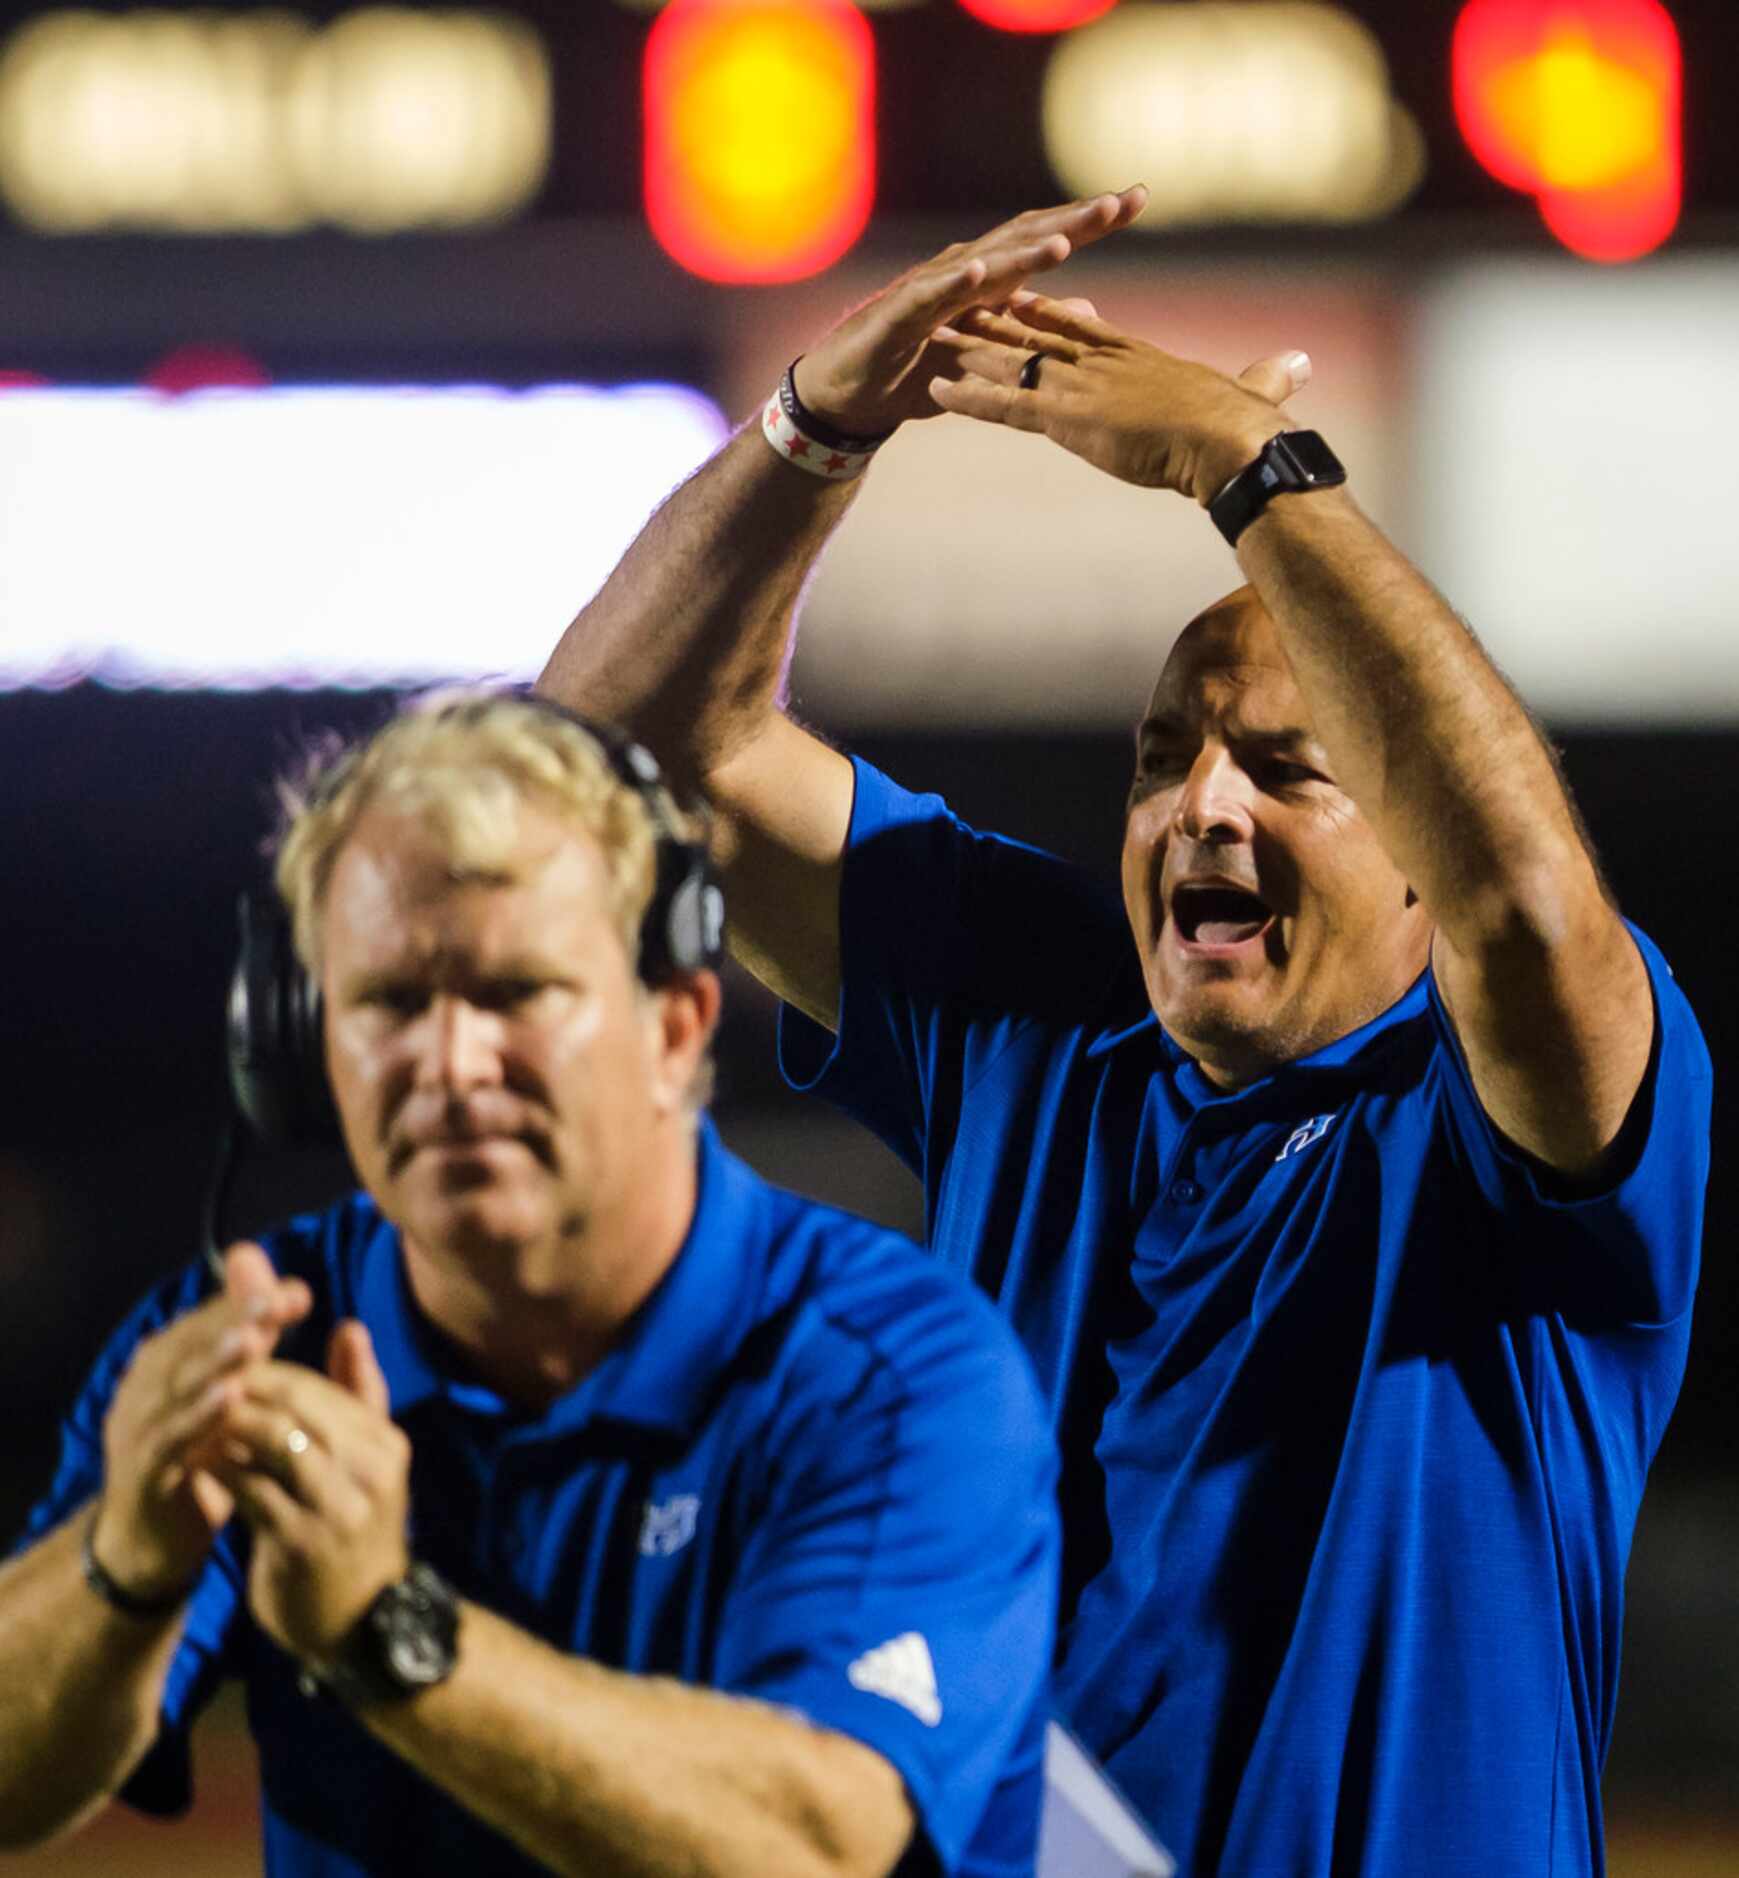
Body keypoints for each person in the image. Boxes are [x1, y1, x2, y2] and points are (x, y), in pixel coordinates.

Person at [540, 193, 1713, 1874]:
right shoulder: (1038, 1022)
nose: (1200, 803)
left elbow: (1524, 901)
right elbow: (609, 757)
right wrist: (809, 428)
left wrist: (1243, 466)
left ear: (1411, 849)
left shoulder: (1502, 1124)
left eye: (1287, 763)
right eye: (1163, 751)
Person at [0, 694, 1061, 1878]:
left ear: (675, 1027)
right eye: (390, 1002)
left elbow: (819, 1847)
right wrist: (124, 1564)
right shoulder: (265, 1333)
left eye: (516, 994)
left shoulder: (896, 1376)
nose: (450, 1066)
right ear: (298, 1052)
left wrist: (390, 1633)